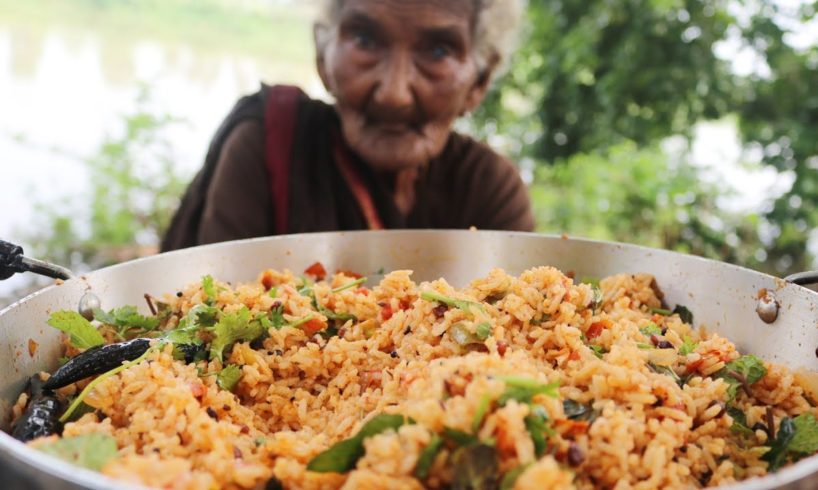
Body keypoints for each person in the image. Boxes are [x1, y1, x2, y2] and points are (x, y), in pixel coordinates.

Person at [161, 0, 534, 252]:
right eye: (365, 40)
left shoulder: (489, 190)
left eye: (437, 51)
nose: (394, 94)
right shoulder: (267, 148)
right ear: (322, 54)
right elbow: (209, 321)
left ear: (479, 81)